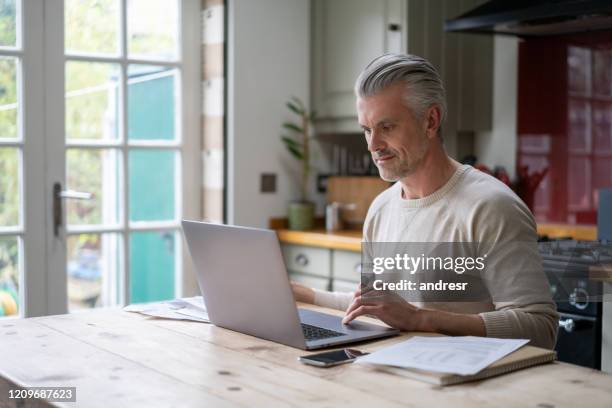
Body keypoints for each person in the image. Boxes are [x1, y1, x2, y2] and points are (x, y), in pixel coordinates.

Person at [292, 53, 558, 349]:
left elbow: (541, 328)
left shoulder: (491, 207)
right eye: (367, 130)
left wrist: (423, 319)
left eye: (387, 127)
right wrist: (304, 295)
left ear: (430, 121)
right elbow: (376, 306)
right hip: (397, 380)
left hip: (469, 387)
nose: (372, 145)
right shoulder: (381, 209)